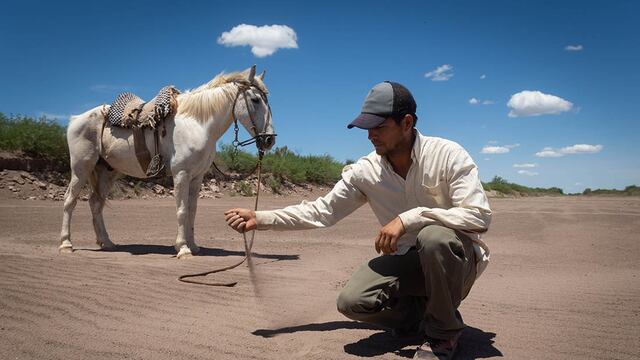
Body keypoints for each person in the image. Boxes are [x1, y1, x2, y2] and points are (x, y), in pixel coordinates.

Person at [224, 81, 492, 359]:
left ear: (407, 122)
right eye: (367, 129)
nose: (371, 136)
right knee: (352, 302)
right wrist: (261, 217)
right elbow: (322, 211)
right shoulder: (366, 171)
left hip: (456, 264)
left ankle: (443, 335)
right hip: (410, 263)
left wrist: (408, 219)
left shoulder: (447, 155)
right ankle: (419, 317)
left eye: (379, 127)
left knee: (434, 237)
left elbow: (479, 216)